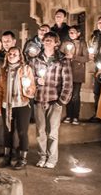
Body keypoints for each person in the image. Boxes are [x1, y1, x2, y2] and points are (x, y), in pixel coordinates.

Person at [29, 31, 73, 168]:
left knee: (52, 132)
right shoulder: (36, 60)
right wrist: (37, 80)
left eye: (50, 40)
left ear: (56, 43)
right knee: (40, 132)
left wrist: (61, 101)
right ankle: (43, 156)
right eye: (46, 40)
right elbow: (29, 78)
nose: (47, 42)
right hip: (39, 99)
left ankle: (52, 159)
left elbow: (68, 82)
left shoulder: (62, 60)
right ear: (42, 42)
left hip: (54, 100)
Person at [0, 47, 36, 170]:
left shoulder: (26, 69)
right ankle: (8, 156)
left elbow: (32, 87)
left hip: (22, 105)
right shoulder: (3, 71)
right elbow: (0, 90)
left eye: (15, 54)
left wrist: (28, 89)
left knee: (22, 132)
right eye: (10, 54)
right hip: (7, 105)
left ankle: (22, 158)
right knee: (8, 131)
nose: (12, 55)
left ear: (20, 57)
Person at [62, 25, 88, 125]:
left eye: (73, 32)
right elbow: (60, 54)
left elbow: (86, 58)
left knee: (75, 95)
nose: (71, 34)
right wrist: (65, 57)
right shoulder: (65, 43)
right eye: (70, 32)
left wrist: (74, 57)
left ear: (78, 33)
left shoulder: (82, 43)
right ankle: (68, 115)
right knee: (68, 94)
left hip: (77, 72)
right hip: (67, 72)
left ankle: (75, 116)